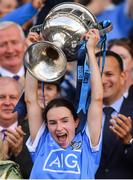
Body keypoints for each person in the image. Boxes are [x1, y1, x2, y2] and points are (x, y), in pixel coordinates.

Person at [25, 28, 103, 179]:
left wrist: (90, 51)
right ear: (46, 125)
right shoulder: (42, 141)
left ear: (76, 122)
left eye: (65, 121)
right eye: (52, 122)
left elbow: (97, 99)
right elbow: (30, 100)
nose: (59, 128)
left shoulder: (88, 144)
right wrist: (33, 51)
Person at [95, 50, 133, 179]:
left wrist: (129, 141)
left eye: (109, 74)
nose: (103, 80)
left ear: (122, 77)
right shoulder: (80, 114)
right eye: (97, 74)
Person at [0, 77, 33, 178]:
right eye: (1, 97)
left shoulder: (34, 132)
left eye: (13, 97)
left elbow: (36, 176)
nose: (7, 102)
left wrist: (19, 153)